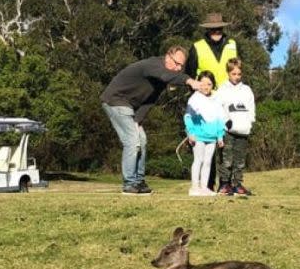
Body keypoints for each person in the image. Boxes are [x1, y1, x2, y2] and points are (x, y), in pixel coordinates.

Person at [101, 46, 200, 194]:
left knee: (142, 140)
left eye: (181, 66)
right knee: (132, 141)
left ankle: (139, 181)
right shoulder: (154, 66)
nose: (179, 68)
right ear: (168, 57)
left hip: (130, 107)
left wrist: (138, 120)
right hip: (116, 100)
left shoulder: (162, 77)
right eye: (176, 63)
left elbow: (150, 100)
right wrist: (189, 80)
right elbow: (166, 76)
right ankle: (129, 183)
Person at [185, 13, 238, 190]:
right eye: (212, 29)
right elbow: (190, 74)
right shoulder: (197, 47)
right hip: (204, 98)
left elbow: (237, 68)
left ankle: (227, 184)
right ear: (207, 30)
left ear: (223, 28)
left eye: (219, 28)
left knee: (226, 142)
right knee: (206, 145)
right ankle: (205, 184)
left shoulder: (232, 45)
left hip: (226, 98)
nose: (216, 31)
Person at [215, 57, 256, 196]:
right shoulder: (222, 89)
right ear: (228, 73)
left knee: (240, 160)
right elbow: (219, 108)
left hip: (243, 130)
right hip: (228, 131)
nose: (236, 77)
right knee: (226, 159)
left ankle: (237, 184)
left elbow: (251, 108)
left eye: (239, 74)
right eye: (233, 74)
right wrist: (225, 122)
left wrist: (250, 123)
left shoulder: (246, 90)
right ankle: (224, 185)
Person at [184, 71, 226, 196]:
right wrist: (190, 132)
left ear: (213, 85)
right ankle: (194, 187)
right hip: (198, 136)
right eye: (202, 83)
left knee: (208, 162)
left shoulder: (217, 99)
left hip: (212, 137)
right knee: (198, 160)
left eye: (209, 84)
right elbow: (187, 117)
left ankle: (204, 187)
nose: (205, 87)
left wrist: (220, 135)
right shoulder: (194, 98)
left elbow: (220, 118)